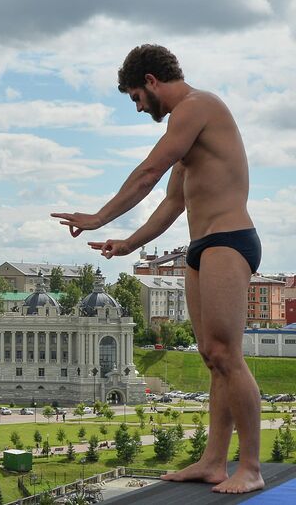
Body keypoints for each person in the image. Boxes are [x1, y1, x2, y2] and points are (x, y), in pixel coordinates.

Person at [51, 44, 263, 494]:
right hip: (201, 246)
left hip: (230, 240)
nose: (138, 106)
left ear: (151, 80)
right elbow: (172, 201)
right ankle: (212, 462)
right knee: (211, 356)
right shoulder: (187, 131)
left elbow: (149, 172)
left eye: (136, 97)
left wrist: (97, 217)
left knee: (228, 354)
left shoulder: (196, 106)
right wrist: (128, 243)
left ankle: (250, 467)